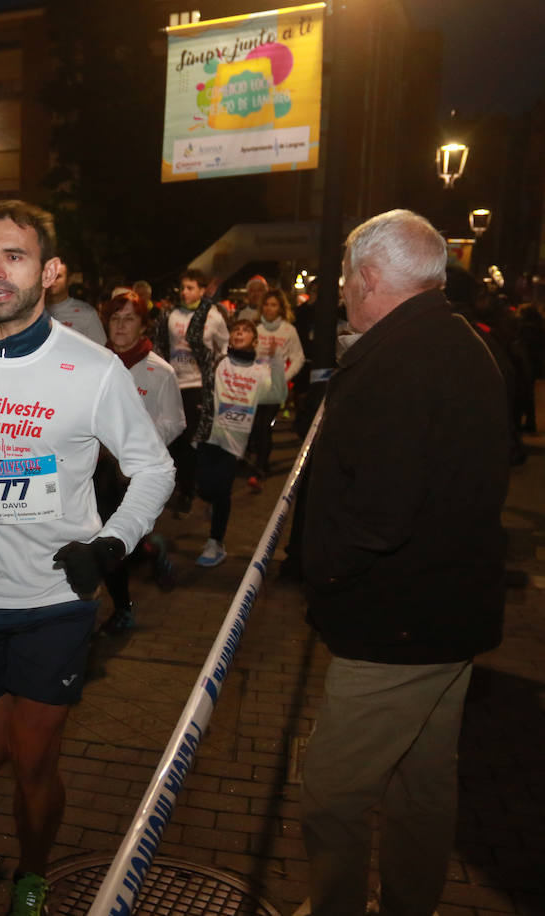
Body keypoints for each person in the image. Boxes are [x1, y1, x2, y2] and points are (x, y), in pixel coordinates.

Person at [0, 201, 174, 914]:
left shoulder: (90, 370)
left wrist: (111, 545)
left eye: (16, 256)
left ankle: (33, 871)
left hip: (57, 599)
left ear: (50, 272)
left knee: (32, 761)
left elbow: (153, 468)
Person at [297, 210, 510, 916]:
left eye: (345, 278)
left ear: (370, 277)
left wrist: (318, 568)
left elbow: (381, 515)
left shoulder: (401, 360)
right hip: (447, 615)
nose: (341, 294)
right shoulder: (455, 342)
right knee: (423, 784)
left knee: (333, 793)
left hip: (397, 626)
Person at [96, 289, 184, 629]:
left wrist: (137, 449)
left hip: (135, 476)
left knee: (118, 542)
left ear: (143, 325)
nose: (120, 326)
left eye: (129, 318)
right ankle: (123, 605)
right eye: (114, 318)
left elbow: (175, 421)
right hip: (98, 471)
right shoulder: (95, 364)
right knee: (106, 539)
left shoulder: (159, 371)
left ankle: (149, 551)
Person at [193, 319, 286, 567]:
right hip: (209, 436)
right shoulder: (219, 362)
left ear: (255, 341)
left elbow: (278, 394)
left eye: (245, 331)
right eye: (236, 330)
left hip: (234, 442)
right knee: (204, 490)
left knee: (221, 491)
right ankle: (215, 507)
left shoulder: (259, 372)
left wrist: (277, 361)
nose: (239, 333)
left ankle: (216, 542)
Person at [153, 267, 228, 517]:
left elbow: (224, 345)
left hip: (197, 385)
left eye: (190, 288)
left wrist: (215, 369)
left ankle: (188, 489)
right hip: (174, 384)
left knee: (191, 440)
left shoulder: (213, 315)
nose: (185, 292)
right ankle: (175, 484)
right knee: (172, 438)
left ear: (201, 290)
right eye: (183, 287)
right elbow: (162, 346)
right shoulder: (171, 314)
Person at [247, 288, 305, 489]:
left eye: (274, 304)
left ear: (281, 308)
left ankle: (261, 467)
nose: (269, 308)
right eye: (266, 304)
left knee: (264, 426)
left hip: (275, 388)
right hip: (253, 386)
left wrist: (283, 377)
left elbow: (299, 357)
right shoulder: (255, 328)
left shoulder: (289, 330)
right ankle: (255, 458)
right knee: (254, 426)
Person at [45, 266, 106, 345]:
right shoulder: (32, 312)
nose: (52, 281)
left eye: (57, 276)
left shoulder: (87, 313)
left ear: (69, 279)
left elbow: (101, 351)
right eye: (48, 276)